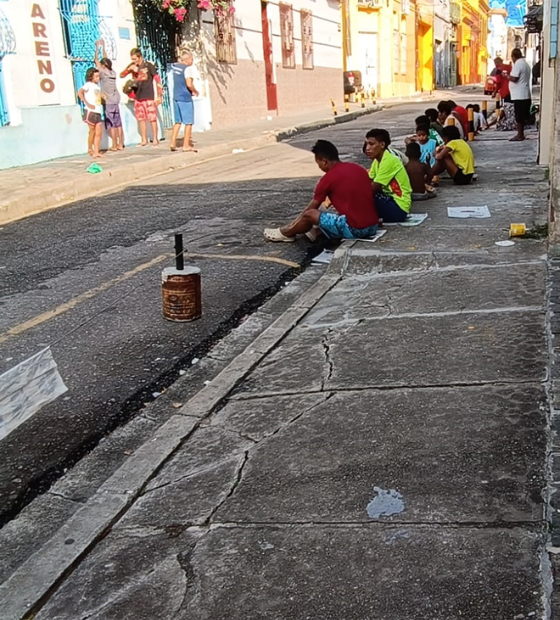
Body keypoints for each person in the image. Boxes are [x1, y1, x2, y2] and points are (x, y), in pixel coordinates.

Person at [263, 140, 379, 242]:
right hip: (372, 226)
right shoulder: (357, 168)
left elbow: (311, 209)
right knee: (329, 212)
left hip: (356, 229)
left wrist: (293, 224)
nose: (319, 166)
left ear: (324, 161)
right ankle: (316, 232)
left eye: (318, 163)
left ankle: (286, 233)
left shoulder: (327, 179)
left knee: (310, 215)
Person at [365, 128, 412, 223]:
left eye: (371, 144)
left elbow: (373, 188)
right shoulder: (377, 161)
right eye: (366, 144)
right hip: (389, 200)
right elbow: (368, 180)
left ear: (382, 145)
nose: (367, 148)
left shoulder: (389, 160)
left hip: (398, 207)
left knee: (365, 197)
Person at [120, 48, 162, 146]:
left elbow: (157, 79)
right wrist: (129, 69)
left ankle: (155, 138)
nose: (134, 61)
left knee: (152, 118)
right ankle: (144, 139)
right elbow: (121, 75)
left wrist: (159, 95)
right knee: (141, 119)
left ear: (140, 57)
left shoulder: (148, 66)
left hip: (148, 96)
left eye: (135, 59)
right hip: (138, 97)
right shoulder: (132, 66)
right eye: (132, 59)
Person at [94, 39, 124, 151]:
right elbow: (105, 60)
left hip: (108, 101)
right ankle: (121, 143)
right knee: (118, 123)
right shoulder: (112, 72)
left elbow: (96, 60)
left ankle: (114, 145)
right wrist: (104, 47)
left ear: (103, 66)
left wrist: (98, 48)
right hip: (116, 100)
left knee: (111, 123)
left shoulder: (102, 73)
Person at [170, 50, 199, 152]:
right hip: (185, 98)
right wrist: (195, 91)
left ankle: (172, 142)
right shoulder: (187, 69)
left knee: (178, 121)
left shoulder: (175, 68)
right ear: (188, 59)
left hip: (176, 96)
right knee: (188, 122)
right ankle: (186, 145)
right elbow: (189, 84)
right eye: (191, 59)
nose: (192, 61)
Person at [504, 48, 532, 141]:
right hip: (525, 94)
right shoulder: (525, 64)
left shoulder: (518, 64)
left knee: (519, 116)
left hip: (519, 95)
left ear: (513, 56)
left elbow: (514, 78)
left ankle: (520, 135)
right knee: (522, 116)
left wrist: (506, 76)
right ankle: (521, 134)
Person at [77, 67, 103, 159]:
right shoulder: (88, 85)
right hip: (90, 111)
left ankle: (96, 151)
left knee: (99, 132)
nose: (98, 78)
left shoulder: (97, 87)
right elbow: (80, 92)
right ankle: (90, 148)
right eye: (96, 76)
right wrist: (86, 103)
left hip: (97, 111)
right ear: (91, 77)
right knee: (92, 131)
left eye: (98, 76)